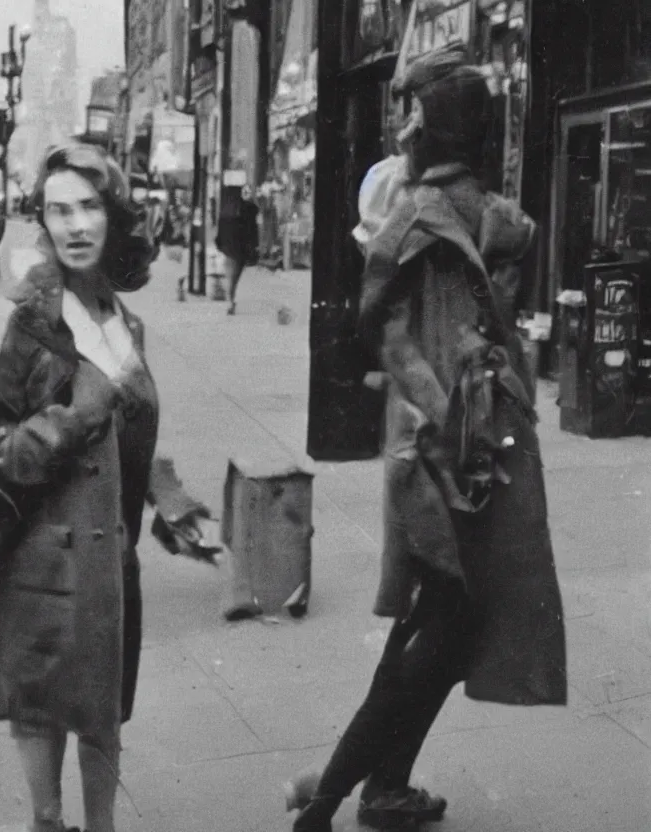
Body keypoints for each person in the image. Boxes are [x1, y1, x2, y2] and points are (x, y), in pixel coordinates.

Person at [288, 43, 566, 832]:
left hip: (484, 451)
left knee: (436, 625)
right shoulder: (415, 217)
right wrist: (453, 420)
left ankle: (374, 788)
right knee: (446, 627)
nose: (405, 123)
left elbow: (488, 328)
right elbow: (394, 341)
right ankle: (336, 795)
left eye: (415, 109)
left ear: (446, 125)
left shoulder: (484, 217)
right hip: (442, 457)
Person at [0, 141, 159, 832]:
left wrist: (170, 497)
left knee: (103, 719)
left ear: (113, 216)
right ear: (42, 222)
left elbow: (127, 426)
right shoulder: (28, 322)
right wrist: (73, 417)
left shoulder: (121, 319)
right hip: (44, 564)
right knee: (45, 720)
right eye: (58, 210)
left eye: (88, 207)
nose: (75, 225)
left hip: (109, 563)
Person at [215, 180, 259, 315]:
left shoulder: (227, 211)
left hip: (230, 248)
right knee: (235, 277)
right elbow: (253, 232)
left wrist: (220, 244)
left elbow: (220, 232)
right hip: (240, 250)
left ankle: (231, 300)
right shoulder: (249, 212)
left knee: (232, 277)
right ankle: (231, 300)